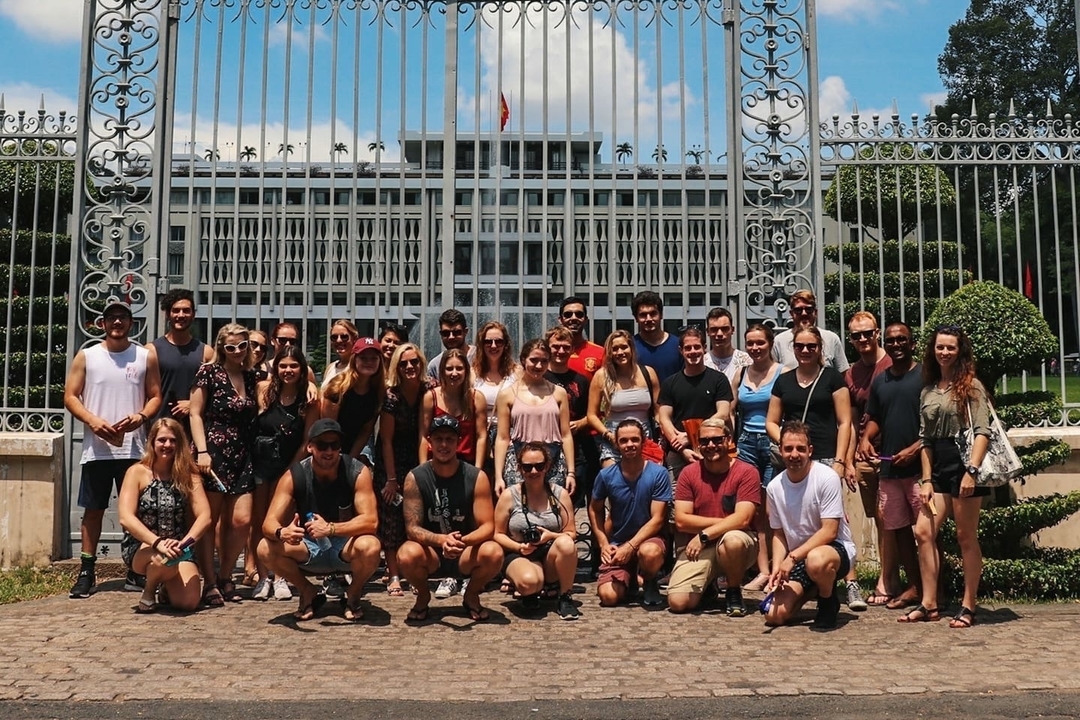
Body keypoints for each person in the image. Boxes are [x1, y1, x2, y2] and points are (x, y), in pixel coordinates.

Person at [65, 300, 162, 599]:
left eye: (123, 318)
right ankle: (87, 572)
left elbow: (155, 396)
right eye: (112, 318)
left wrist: (141, 417)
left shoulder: (145, 356)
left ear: (131, 324)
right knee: (93, 511)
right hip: (98, 449)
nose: (117, 323)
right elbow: (70, 396)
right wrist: (92, 421)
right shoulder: (88, 356)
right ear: (102, 324)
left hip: (133, 449)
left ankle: (135, 568)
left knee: (136, 512)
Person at [901, 325, 991, 628]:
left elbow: (982, 433)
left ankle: (968, 604)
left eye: (950, 347)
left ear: (959, 350)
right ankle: (929, 603)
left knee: (965, 536)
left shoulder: (972, 386)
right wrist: (926, 480)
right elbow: (924, 439)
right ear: (932, 350)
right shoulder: (928, 389)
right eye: (940, 347)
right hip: (937, 467)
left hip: (963, 465)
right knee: (923, 532)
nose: (945, 352)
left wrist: (972, 472)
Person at [766, 325, 860, 611]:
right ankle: (806, 582)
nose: (805, 351)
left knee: (834, 521)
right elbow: (771, 421)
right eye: (800, 346)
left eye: (811, 346)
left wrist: (842, 461)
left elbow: (845, 422)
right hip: (795, 457)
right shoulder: (784, 380)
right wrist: (788, 444)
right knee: (794, 518)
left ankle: (850, 581)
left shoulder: (832, 378)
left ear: (821, 349)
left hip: (827, 457)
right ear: (792, 348)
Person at [258, 418, 382, 621]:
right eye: (322, 445)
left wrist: (331, 529)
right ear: (310, 447)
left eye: (335, 445)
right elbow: (268, 524)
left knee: (371, 545)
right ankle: (306, 590)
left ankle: (354, 593)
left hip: (345, 545)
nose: (329, 451)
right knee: (265, 547)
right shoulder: (293, 476)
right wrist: (283, 533)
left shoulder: (357, 472)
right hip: (309, 546)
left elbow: (371, 521)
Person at [398, 415, 504, 623]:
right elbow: (412, 528)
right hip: (431, 553)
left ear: (458, 442)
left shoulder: (476, 476)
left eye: (450, 439)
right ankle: (423, 595)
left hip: (465, 550)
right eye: (438, 439)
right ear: (430, 441)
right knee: (406, 554)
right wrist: (441, 540)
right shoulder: (415, 477)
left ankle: (471, 594)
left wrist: (459, 542)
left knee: (494, 552)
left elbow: (488, 526)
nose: (444, 445)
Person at [189, 323, 258, 607]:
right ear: (221, 348)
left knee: (241, 520)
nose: (237, 351)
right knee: (211, 519)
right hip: (213, 453)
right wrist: (202, 451)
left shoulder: (251, 376)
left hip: (243, 453)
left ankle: (227, 574)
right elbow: (195, 413)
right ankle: (210, 580)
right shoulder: (208, 372)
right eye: (231, 347)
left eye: (243, 345)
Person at [764, 421, 857, 630]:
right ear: (780, 450)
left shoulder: (827, 477)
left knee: (816, 560)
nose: (794, 455)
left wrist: (792, 557)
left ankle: (827, 600)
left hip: (833, 550)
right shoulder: (774, 487)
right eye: (788, 449)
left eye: (800, 449)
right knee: (773, 615)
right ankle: (812, 588)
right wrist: (777, 568)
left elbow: (829, 531)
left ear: (810, 451)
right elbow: (778, 534)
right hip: (798, 559)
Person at [249, 345, 320, 601]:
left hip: (290, 466)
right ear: (275, 367)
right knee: (260, 522)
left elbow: (308, 439)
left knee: (284, 523)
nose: (287, 371)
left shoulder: (309, 399)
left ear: (302, 370)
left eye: (293, 366)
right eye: (283, 366)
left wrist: (291, 469)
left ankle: (281, 577)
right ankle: (262, 577)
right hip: (261, 463)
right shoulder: (263, 390)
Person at [118, 418, 212, 613]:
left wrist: (184, 543)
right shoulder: (136, 472)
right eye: (162, 440)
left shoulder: (189, 475)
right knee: (162, 558)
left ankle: (165, 587)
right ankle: (149, 591)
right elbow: (126, 517)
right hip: (144, 547)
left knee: (188, 603)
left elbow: (205, 516)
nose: (167, 445)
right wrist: (157, 542)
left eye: (172, 440)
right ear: (152, 442)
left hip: (179, 547)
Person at [859, 321, 923, 611]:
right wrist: (865, 438)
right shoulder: (881, 380)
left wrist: (915, 448)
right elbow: (874, 416)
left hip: (922, 469)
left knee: (926, 532)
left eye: (902, 340)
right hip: (889, 469)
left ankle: (936, 590)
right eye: (891, 340)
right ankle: (914, 587)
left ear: (912, 343)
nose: (896, 345)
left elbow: (935, 425)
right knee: (899, 531)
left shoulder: (925, 376)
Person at [668, 419, 760, 616]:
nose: (711, 446)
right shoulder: (688, 473)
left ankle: (734, 590)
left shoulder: (747, 472)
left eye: (717, 440)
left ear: (728, 440)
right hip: (703, 546)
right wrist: (729, 522)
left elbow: (744, 520)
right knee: (678, 602)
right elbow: (682, 521)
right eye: (705, 441)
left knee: (733, 540)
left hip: (738, 543)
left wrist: (704, 534)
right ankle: (708, 586)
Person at [493, 442, 580, 619]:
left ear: (547, 466)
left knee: (566, 543)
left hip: (549, 552)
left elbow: (571, 532)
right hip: (519, 552)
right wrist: (519, 548)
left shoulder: (559, 494)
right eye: (527, 467)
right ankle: (531, 588)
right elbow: (498, 534)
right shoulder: (509, 495)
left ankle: (565, 596)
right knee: (529, 582)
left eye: (539, 466)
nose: (533, 471)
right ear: (519, 468)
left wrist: (551, 536)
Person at [589, 419, 671, 607]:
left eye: (635, 439)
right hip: (617, 541)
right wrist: (603, 543)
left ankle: (650, 580)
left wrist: (631, 547)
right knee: (608, 597)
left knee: (649, 553)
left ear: (643, 441)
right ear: (616, 444)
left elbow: (658, 519)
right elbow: (594, 508)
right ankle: (631, 579)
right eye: (624, 441)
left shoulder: (659, 473)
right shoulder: (606, 475)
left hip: (649, 540)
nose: (629, 445)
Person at [843, 311, 893, 606]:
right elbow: (849, 421)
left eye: (867, 333)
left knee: (892, 520)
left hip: (892, 453)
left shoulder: (891, 366)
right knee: (879, 519)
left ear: (878, 332)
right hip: (864, 457)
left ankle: (887, 580)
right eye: (856, 335)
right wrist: (848, 461)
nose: (862, 339)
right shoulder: (850, 374)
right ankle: (890, 578)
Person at [375, 342, 432, 598]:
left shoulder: (427, 390)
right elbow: (385, 439)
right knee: (391, 516)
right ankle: (394, 574)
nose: (410, 367)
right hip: (392, 461)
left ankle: (414, 568)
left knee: (418, 515)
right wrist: (391, 478)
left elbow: (424, 432)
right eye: (404, 363)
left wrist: (422, 471)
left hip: (417, 458)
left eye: (414, 362)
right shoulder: (391, 396)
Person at [730, 324, 784, 592]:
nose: (755, 348)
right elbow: (729, 410)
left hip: (773, 445)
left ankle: (778, 568)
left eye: (760, 343)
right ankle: (762, 570)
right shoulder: (740, 374)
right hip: (746, 445)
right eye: (750, 343)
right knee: (753, 509)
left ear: (770, 343)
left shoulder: (783, 373)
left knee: (773, 507)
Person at [493, 338, 576, 496]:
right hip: (519, 461)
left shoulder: (559, 393)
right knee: (517, 510)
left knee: (554, 511)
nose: (538, 366)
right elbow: (502, 438)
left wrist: (571, 472)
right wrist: (498, 476)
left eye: (544, 361)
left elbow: (566, 434)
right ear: (523, 360)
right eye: (534, 360)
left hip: (553, 460)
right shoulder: (507, 394)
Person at [657, 326, 733, 483]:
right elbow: (664, 418)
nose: (693, 352)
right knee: (677, 502)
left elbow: (723, 413)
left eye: (697, 347)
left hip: (714, 450)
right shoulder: (670, 383)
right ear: (681, 351)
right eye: (688, 348)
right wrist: (681, 446)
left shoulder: (719, 380)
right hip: (679, 453)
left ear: (704, 348)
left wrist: (692, 436)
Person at [587, 330, 661, 467]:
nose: (620, 352)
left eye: (624, 347)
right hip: (613, 440)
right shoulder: (601, 376)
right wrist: (608, 435)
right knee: (613, 482)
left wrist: (660, 436)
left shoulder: (648, 373)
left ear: (631, 348)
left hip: (644, 441)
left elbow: (658, 411)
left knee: (646, 484)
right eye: (614, 349)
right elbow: (591, 415)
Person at [146, 288, 212, 435]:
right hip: (159, 432)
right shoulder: (151, 350)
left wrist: (193, 404)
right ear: (168, 314)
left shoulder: (206, 353)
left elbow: (216, 394)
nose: (181, 315)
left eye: (186, 310)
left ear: (193, 314)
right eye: (176, 310)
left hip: (194, 434)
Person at [544, 326, 597, 503]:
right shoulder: (538, 378)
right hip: (544, 446)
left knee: (572, 495)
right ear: (547, 348)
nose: (561, 351)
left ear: (572, 349)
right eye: (556, 346)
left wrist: (580, 423)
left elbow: (594, 413)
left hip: (577, 447)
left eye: (566, 347)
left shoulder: (581, 380)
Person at [420, 348, 488, 465]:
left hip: (466, 464)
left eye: (459, 368)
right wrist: (423, 469)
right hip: (436, 463)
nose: (454, 373)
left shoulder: (477, 398)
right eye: (449, 369)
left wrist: (477, 471)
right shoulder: (430, 397)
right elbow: (423, 436)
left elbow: (481, 436)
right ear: (442, 371)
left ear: (466, 371)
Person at [321, 337, 385, 461]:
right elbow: (328, 427)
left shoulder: (379, 392)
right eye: (363, 358)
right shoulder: (337, 387)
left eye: (374, 358)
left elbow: (366, 431)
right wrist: (335, 458)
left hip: (353, 451)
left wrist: (350, 459)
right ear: (354, 359)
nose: (369, 362)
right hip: (328, 449)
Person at [471, 320, 518, 472]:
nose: (493, 346)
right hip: (478, 435)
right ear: (481, 344)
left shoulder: (517, 373)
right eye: (488, 342)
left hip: (509, 436)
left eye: (498, 341)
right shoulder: (472, 374)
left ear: (506, 345)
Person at [772, 290, 849, 372]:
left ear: (815, 312)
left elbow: (843, 374)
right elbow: (772, 375)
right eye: (798, 310)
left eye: (809, 309)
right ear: (791, 313)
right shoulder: (779, 341)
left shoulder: (831, 339)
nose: (804, 313)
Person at [631, 290, 682, 381]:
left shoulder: (678, 345)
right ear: (636, 318)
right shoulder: (630, 347)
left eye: (653, 313)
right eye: (643, 315)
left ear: (661, 315)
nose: (649, 319)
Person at [558, 296, 604, 379]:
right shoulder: (549, 352)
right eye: (568, 315)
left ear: (585, 319)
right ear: (560, 320)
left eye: (579, 314)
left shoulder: (601, 353)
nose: (574, 318)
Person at [703, 307, 752, 381]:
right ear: (707, 332)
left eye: (724, 329)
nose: (719, 334)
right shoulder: (702, 363)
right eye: (714, 329)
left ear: (732, 330)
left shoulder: (747, 361)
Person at [427, 308, 475, 378]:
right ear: (440, 334)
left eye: (456, 332)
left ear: (466, 332)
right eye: (446, 333)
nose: (451, 337)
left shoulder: (480, 357)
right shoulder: (435, 365)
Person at [321, 319, 359, 389]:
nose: (338, 340)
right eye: (334, 337)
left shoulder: (359, 368)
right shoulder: (330, 367)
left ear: (354, 339)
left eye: (344, 337)